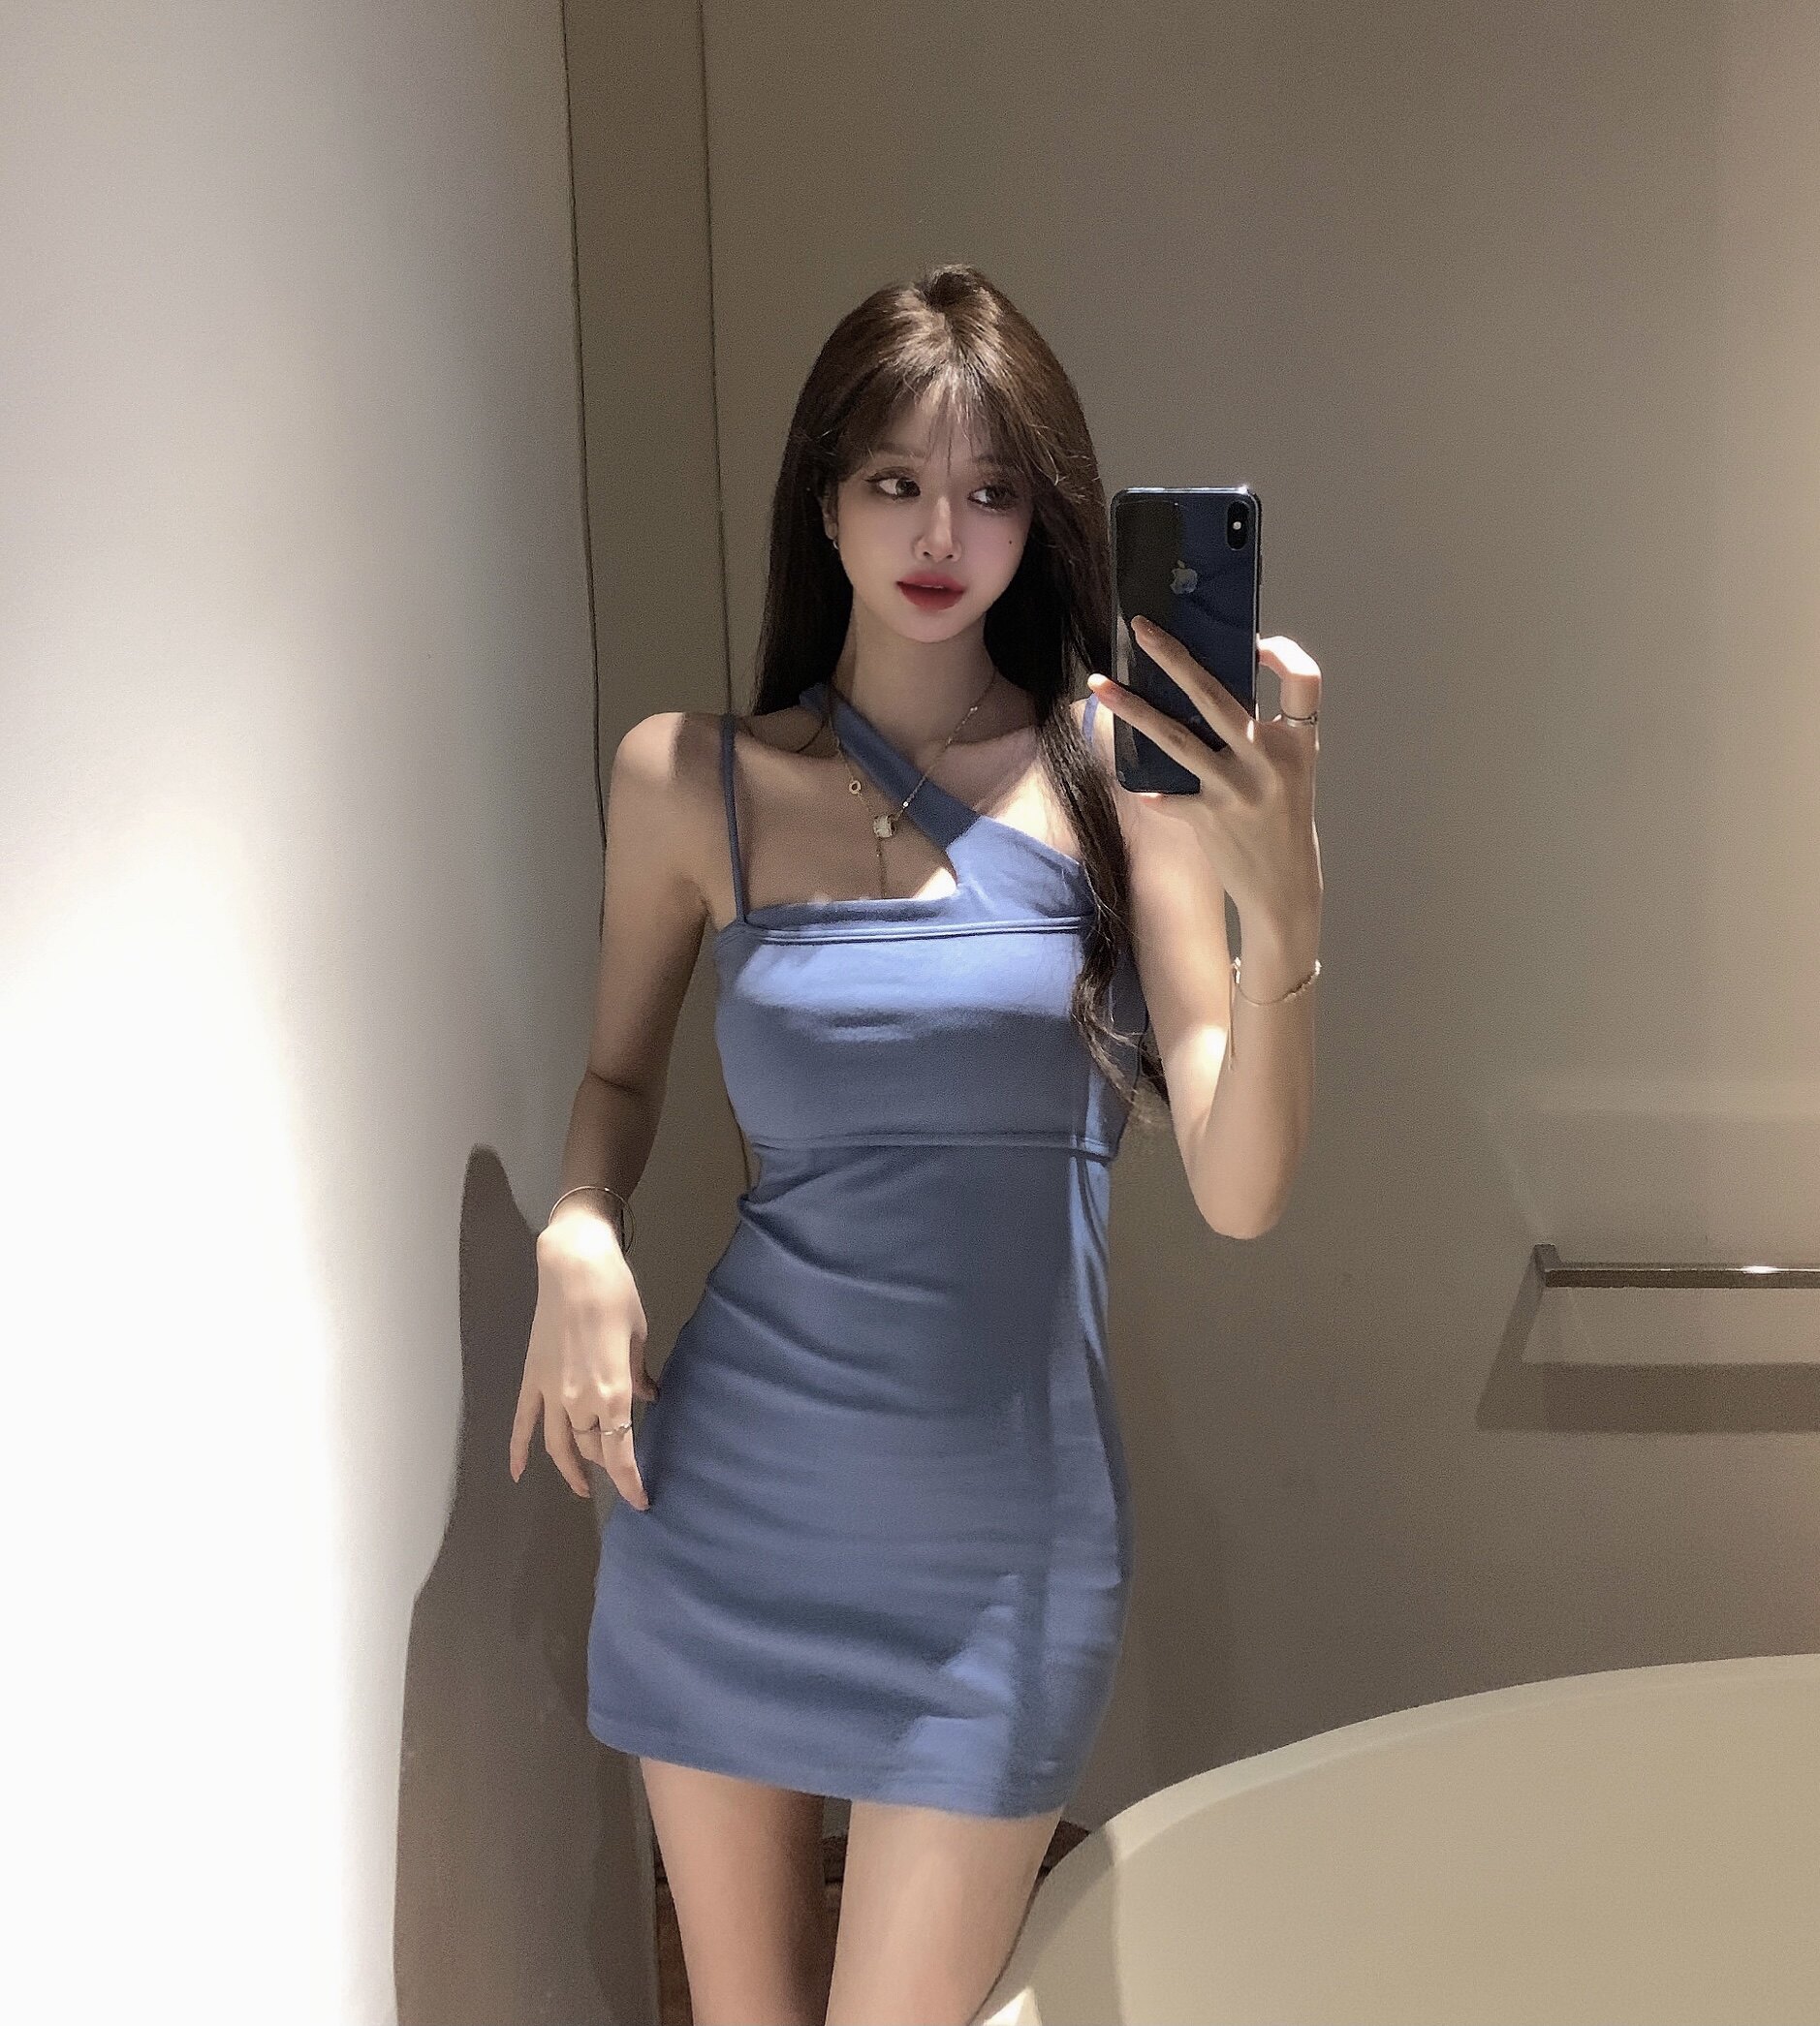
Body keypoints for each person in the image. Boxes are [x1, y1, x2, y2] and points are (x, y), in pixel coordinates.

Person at [509, 261, 1324, 2026]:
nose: (941, 532)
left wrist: (1286, 914)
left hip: (999, 1546)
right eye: (894, 480)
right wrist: (578, 1224)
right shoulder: (687, 779)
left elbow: (1240, 1188)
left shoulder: (1117, 772)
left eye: (990, 488)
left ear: (1043, 514)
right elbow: (617, 1085)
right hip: (726, 1507)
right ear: (824, 500)